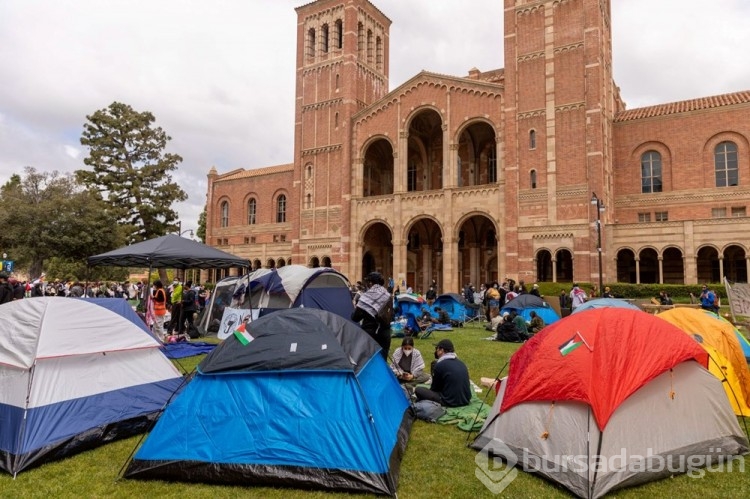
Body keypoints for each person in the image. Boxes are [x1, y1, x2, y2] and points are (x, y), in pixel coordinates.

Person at [414, 339, 471, 408]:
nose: (436, 351)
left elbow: (435, 389)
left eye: (437, 348)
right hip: (465, 400)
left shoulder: (439, 365)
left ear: (441, 350)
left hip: (449, 401)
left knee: (419, 390)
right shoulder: (461, 363)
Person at [352, 272, 392, 360]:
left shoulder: (366, 297)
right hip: (385, 334)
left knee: (368, 362)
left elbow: (355, 317)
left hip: (369, 335)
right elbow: (391, 315)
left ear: (370, 283)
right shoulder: (388, 296)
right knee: (382, 362)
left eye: (367, 282)